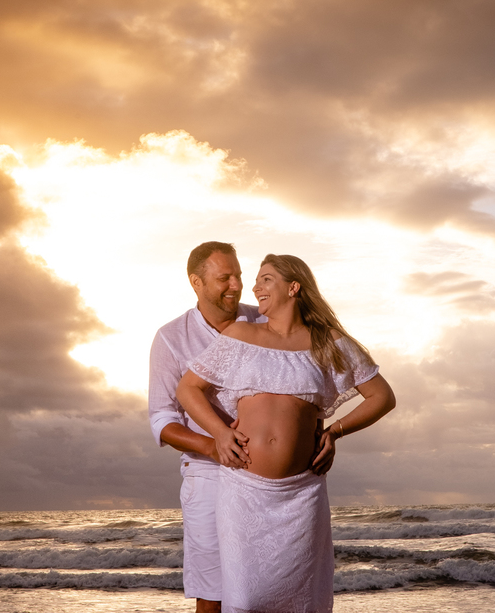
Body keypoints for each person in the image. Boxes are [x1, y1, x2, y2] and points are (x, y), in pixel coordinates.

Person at [177, 254, 396, 613]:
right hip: (243, 492)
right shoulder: (241, 336)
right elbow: (188, 388)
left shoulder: (328, 342)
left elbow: (382, 397)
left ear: (293, 287)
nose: (254, 288)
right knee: (245, 601)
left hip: (302, 494)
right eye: (257, 281)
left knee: (301, 601)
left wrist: (335, 432)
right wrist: (219, 433)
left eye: (266, 279)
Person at [149, 243, 337, 612]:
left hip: (278, 488)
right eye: (225, 278)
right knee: (215, 592)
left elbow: (301, 385)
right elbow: (161, 418)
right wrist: (214, 444)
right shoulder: (172, 337)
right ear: (196, 282)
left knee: (286, 589)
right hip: (208, 476)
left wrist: (322, 433)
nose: (236, 285)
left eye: (238, 275)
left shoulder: (265, 319)